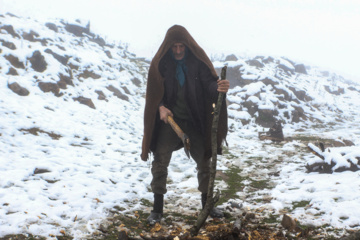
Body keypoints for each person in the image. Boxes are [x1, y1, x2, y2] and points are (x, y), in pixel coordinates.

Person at [141, 25, 229, 225]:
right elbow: (155, 93)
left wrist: (218, 87)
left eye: (182, 46)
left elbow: (209, 84)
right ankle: (157, 209)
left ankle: (208, 205)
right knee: (160, 160)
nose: (179, 51)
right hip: (171, 122)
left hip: (194, 120)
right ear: (169, 47)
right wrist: (161, 107)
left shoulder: (197, 62)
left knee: (204, 160)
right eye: (175, 47)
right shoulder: (161, 64)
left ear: (187, 46)